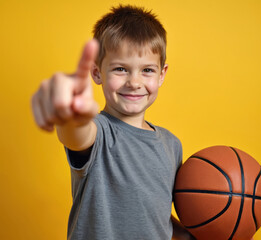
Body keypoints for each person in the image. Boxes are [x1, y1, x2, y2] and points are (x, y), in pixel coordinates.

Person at [31, 5, 193, 240]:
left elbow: (154, 214)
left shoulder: (172, 145)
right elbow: (76, 135)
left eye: (147, 70)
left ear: (162, 74)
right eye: (120, 69)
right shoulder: (99, 132)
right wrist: (69, 115)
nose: (134, 82)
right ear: (97, 73)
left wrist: (193, 234)